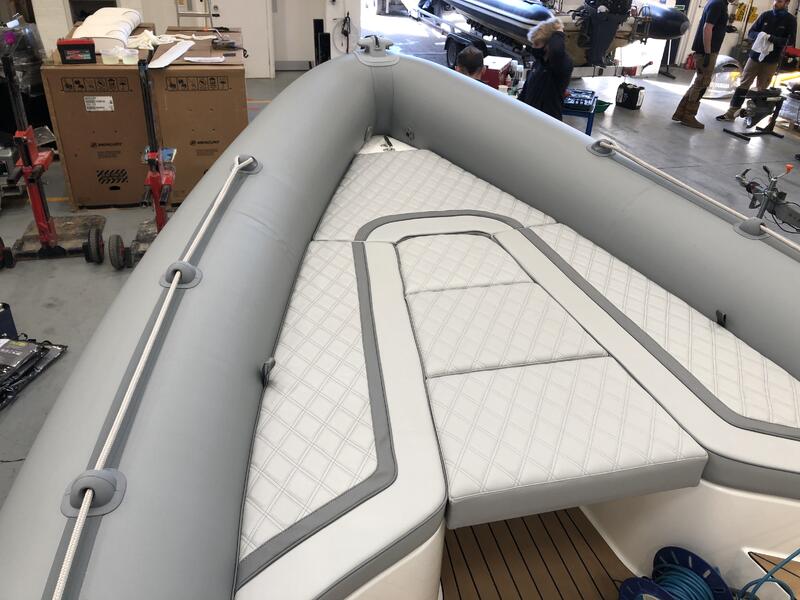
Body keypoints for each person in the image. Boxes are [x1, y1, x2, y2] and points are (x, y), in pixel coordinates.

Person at [717, 0, 796, 121]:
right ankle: (731, 113)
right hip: (754, 57)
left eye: (779, 1)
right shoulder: (765, 15)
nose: (775, 3)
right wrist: (761, 36)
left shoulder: (790, 20)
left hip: (772, 60)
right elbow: (751, 33)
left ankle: (752, 117)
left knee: (762, 89)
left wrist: (772, 38)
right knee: (743, 85)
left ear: (787, 2)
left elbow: (790, 41)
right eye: (774, 0)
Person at [672, 0, 736, 128]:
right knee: (702, 84)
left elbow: (712, 25)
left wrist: (724, 28)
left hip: (707, 50)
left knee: (698, 83)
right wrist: (707, 53)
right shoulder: (718, 4)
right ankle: (689, 116)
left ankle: (681, 113)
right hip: (706, 51)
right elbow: (707, 28)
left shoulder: (718, 3)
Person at [518, 18, 574, 120]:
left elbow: (556, 51)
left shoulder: (562, 64)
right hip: (530, 118)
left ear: (548, 45)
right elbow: (526, 90)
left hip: (548, 121)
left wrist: (558, 31)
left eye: (537, 44)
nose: (533, 47)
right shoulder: (539, 62)